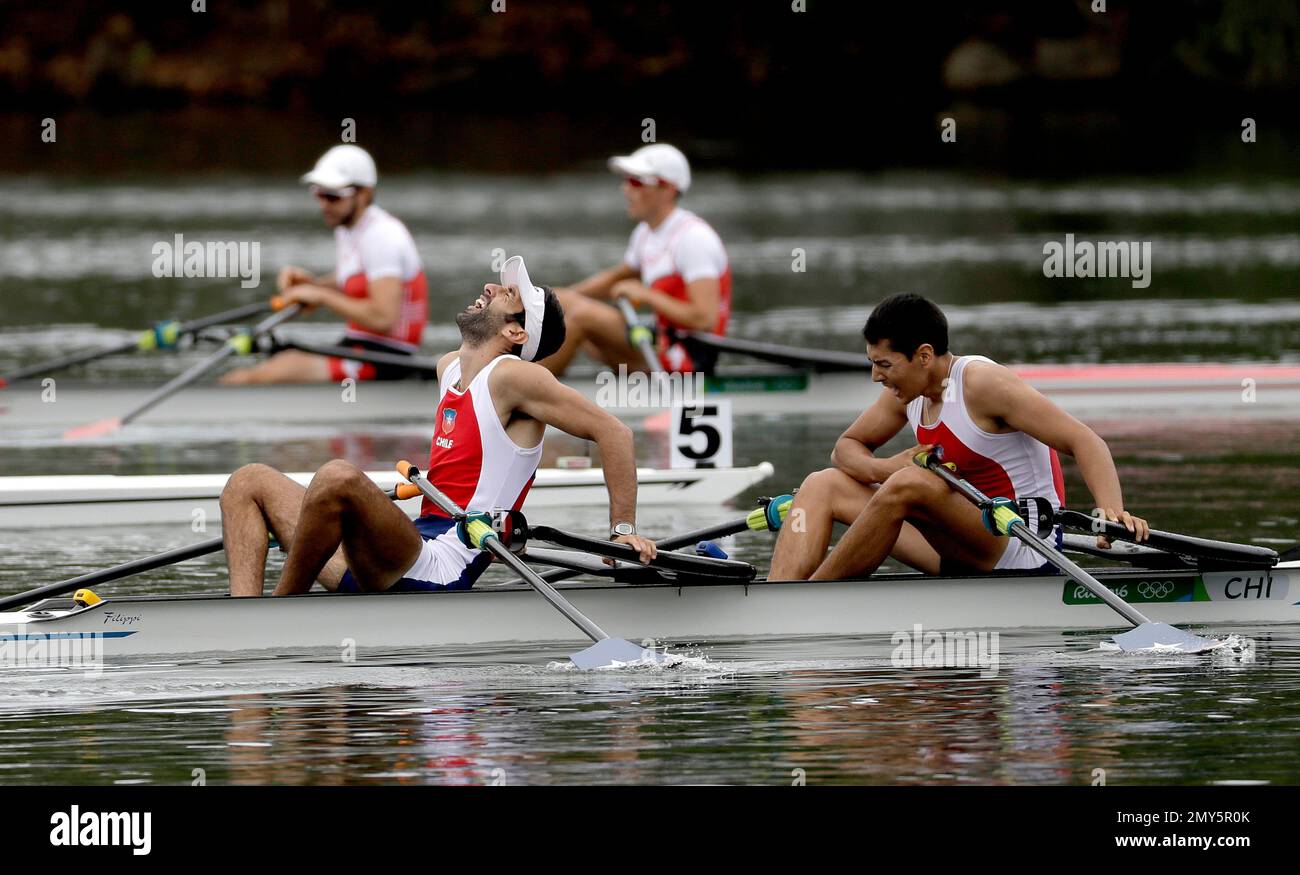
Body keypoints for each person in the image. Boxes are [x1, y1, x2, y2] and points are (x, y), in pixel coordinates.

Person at [220, 256, 656, 596]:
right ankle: (247, 619)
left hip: (440, 566)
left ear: (516, 334)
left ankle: (278, 616)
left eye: (507, 294)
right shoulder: (449, 368)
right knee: (248, 481)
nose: (489, 287)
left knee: (337, 476)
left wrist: (623, 532)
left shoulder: (516, 376)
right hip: (403, 550)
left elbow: (615, 432)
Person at [768, 292, 1149, 581]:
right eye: (873, 364)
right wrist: (884, 467)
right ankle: (778, 599)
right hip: (955, 545)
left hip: (1021, 547)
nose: (876, 377)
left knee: (912, 483)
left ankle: (810, 600)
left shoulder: (982, 384)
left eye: (884, 365)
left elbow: (1085, 441)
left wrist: (1110, 512)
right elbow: (845, 449)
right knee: (821, 485)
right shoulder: (909, 393)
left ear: (923, 356)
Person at [221, 144, 428, 384]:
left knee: (263, 375)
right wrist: (313, 284)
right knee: (280, 359)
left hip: (390, 358)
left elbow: (383, 318)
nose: (324, 205)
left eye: (333, 196)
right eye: (319, 194)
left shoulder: (382, 236)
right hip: (360, 346)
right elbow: (357, 282)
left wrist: (320, 295)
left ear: (363, 194)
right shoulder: (351, 229)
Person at [543, 143, 731, 375]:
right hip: (659, 342)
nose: (625, 189)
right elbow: (615, 279)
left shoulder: (694, 238)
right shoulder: (645, 233)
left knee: (583, 317)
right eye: (626, 181)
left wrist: (646, 295)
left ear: (668, 189)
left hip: (690, 357)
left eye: (636, 182)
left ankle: (526, 391)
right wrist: (555, 299)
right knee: (563, 302)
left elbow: (705, 319)